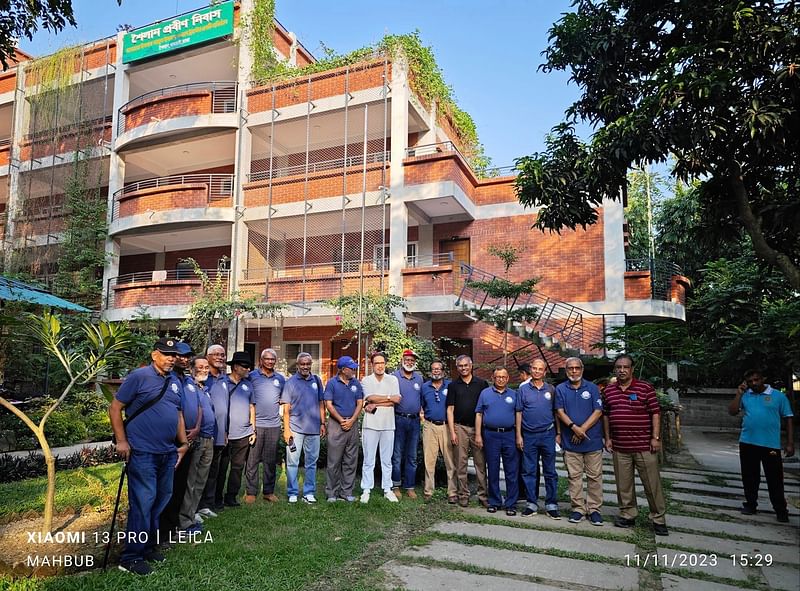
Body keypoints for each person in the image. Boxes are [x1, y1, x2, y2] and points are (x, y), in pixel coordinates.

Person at [109, 337, 189, 576]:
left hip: (167, 452)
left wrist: (183, 443)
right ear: (155, 355)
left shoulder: (175, 381)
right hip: (143, 452)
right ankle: (131, 557)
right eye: (166, 354)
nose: (171, 359)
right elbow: (115, 408)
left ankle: (147, 547)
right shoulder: (138, 376)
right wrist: (122, 441)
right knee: (142, 504)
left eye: (174, 355)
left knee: (159, 502)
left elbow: (177, 414)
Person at [603, 354, 669, 536]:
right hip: (620, 446)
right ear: (615, 369)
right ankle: (627, 514)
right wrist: (607, 438)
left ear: (632, 369)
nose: (622, 370)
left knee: (652, 484)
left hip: (644, 447)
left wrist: (655, 437)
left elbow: (655, 413)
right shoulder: (609, 391)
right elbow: (606, 415)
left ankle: (658, 518)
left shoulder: (645, 388)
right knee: (624, 485)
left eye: (625, 367)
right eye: (618, 367)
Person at [728, 369, 794, 522]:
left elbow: (788, 418)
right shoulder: (746, 395)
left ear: (763, 379)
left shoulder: (778, 396)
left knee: (775, 478)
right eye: (750, 381)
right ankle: (750, 504)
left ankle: (780, 509)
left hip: (770, 444)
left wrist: (789, 443)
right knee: (750, 476)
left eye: (756, 380)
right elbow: (732, 411)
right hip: (747, 442)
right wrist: (739, 394)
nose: (753, 384)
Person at [555, 357, 604, 526]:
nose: (574, 371)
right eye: (570, 368)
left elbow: (598, 411)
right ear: (566, 369)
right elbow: (559, 412)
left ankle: (594, 509)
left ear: (582, 369)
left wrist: (581, 429)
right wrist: (574, 428)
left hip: (592, 441)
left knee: (594, 476)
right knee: (574, 477)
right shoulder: (560, 389)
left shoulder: (592, 388)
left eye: (577, 368)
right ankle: (578, 509)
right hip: (571, 442)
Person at [160, 342, 202, 538]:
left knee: (181, 485)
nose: (185, 359)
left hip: (188, 440)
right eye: (181, 356)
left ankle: (177, 524)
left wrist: (195, 429)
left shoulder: (186, 380)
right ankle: (166, 529)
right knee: (171, 486)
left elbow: (194, 407)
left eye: (188, 356)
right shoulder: (168, 379)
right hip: (174, 441)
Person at [516, 359, 561, 519]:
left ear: (544, 372)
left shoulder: (551, 389)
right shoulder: (523, 389)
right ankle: (531, 503)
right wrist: (518, 435)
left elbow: (557, 412)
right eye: (534, 368)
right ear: (531, 370)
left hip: (548, 434)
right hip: (529, 435)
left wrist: (558, 433)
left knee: (550, 471)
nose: (536, 371)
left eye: (539, 369)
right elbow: (519, 412)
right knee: (529, 471)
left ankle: (551, 504)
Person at [281, 352, 325, 503]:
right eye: (302, 364)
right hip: (295, 429)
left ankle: (309, 492)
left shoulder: (317, 380)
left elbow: (321, 403)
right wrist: (286, 429)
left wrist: (323, 423)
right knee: (292, 462)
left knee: (311, 462)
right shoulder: (291, 382)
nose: (305, 366)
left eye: (308, 364)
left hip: (313, 429)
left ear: (311, 364)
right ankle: (292, 492)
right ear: (298, 365)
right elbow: (286, 408)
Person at [178, 355, 216, 531]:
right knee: (190, 480)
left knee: (201, 479)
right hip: (196, 439)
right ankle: (185, 518)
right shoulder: (187, 386)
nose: (203, 370)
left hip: (209, 438)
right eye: (200, 367)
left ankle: (193, 512)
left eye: (206, 367)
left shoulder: (204, 388)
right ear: (191, 368)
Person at [475, 367, 519, 515]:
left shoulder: (514, 395)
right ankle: (494, 501)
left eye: (503, 377)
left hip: (509, 435)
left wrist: (519, 435)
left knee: (511, 470)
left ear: (508, 378)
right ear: (493, 378)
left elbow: (518, 415)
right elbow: (479, 415)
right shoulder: (485, 393)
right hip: (490, 435)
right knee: (492, 469)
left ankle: (511, 503)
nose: (500, 379)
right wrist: (478, 435)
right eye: (497, 377)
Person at [446, 355, 489, 507]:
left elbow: (485, 408)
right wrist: (452, 432)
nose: (463, 368)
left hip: (478, 429)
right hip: (460, 428)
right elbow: (450, 410)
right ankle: (463, 494)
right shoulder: (453, 386)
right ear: (457, 367)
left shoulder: (482, 384)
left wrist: (481, 431)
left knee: (480, 463)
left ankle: (483, 495)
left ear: (471, 365)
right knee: (461, 463)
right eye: (460, 366)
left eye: (466, 365)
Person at [360, 352, 401, 503]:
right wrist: (385, 399)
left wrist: (377, 401)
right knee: (368, 459)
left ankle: (387, 489)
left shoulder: (393, 379)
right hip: (370, 425)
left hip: (388, 425)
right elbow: (369, 398)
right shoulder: (366, 380)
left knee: (387, 459)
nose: (380, 366)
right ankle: (366, 489)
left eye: (382, 363)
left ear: (386, 363)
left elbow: (396, 400)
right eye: (377, 363)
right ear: (372, 365)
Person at [244, 348, 285, 504]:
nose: (270, 361)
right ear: (261, 360)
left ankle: (268, 491)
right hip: (256, 425)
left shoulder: (280, 379)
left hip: (273, 425)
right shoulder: (252, 376)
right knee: (252, 460)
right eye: (267, 359)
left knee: (270, 460)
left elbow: (283, 399)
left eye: (272, 359)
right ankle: (251, 492)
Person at [215, 351, 256, 507]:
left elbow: (252, 407)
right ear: (236, 367)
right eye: (245, 366)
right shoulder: (222, 382)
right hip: (225, 434)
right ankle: (216, 498)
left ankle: (231, 496)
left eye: (249, 367)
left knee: (237, 467)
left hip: (243, 433)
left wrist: (253, 429)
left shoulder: (248, 385)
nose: (248, 369)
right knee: (221, 468)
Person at [323, 356, 364, 502]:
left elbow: (360, 402)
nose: (354, 370)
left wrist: (352, 420)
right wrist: (341, 420)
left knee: (351, 460)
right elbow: (328, 404)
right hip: (336, 425)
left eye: (354, 368)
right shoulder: (332, 383)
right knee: (334, 461)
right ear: (342, 369)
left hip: (352, 424)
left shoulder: (356, 383)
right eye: (351, 368)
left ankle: (346, 492)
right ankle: (332, 493)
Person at [198, 347, 231, 513]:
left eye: (222, 355)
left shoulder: (224, 379)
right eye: (216, 354)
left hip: (220, 432)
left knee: (214, 471)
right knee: (203, 471)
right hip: (205, 433)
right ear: (207, 357)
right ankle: (200, 504)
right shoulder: (203, 378)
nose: (220, 357)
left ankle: (209, 504)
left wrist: (225, 431)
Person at [420, 359, 456, 501]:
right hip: (430, 426)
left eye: (438, 369)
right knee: (429, 461)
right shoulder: (425, 387)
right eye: (433, 369)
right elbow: (421, 405)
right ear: (431, 371)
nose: (436, 371)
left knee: (450, 461)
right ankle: (428, 491)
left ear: (443, 371)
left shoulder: (451, 386)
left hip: (446, 426)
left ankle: (452, 492)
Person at [391, 349, 424, 499]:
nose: (409, 362)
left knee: (412, 456)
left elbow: (421, 399)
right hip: (398, 419)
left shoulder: (419, 379)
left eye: (412, 360)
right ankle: (396, 485)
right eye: (407, 359)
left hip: (415, 421)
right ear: (402, 360)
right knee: (397, 455)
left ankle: (409, 486)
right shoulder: (394, 377)